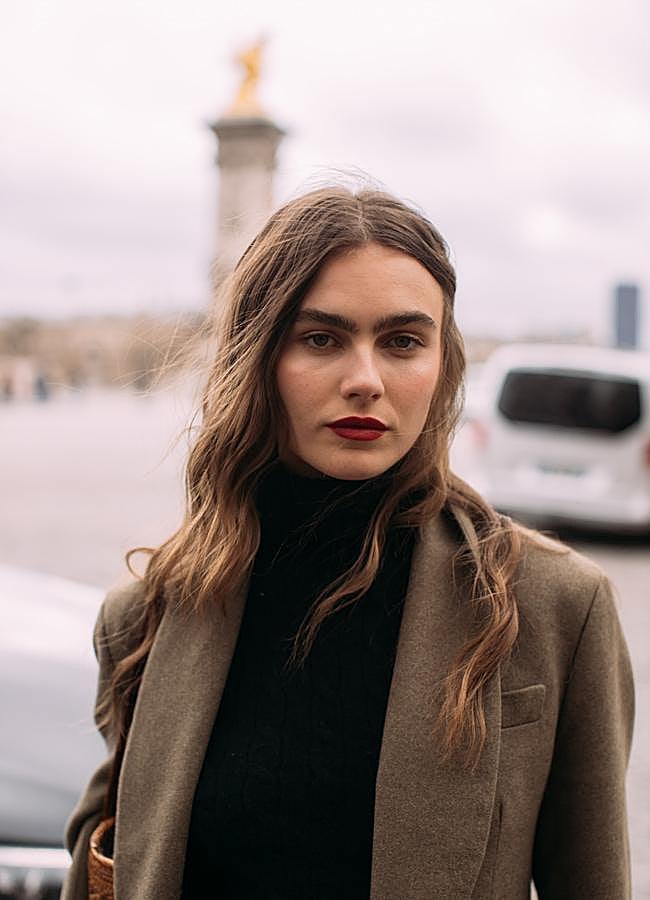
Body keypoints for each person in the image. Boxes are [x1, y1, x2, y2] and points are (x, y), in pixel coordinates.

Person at [62, 186, 634, 900]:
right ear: (256, 357)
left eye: (402, 342)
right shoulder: (145, 616)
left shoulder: (555, 608)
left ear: (443, 365)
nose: (365, 381)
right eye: (321, 339)